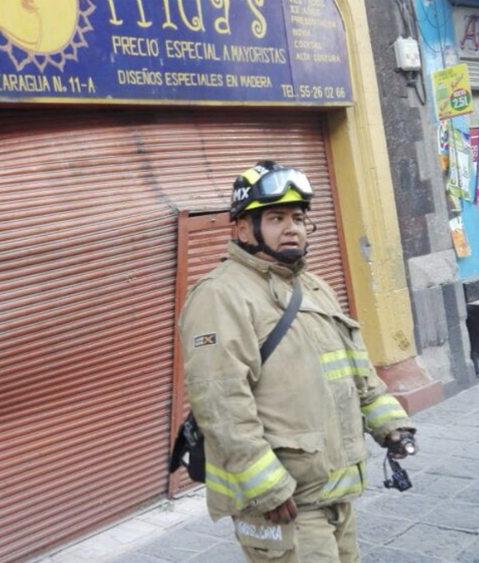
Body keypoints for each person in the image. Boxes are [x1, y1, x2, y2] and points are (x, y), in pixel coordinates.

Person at [179, 161, 417, 563]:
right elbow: (220, 403)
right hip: (286, 502)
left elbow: (356, 370)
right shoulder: (221, 295)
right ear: (241, 229)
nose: (292, 228)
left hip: (334, 493)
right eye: (276, 218)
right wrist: (267, 489)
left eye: (299, 218)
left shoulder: (314, 286)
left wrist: (390, 425)